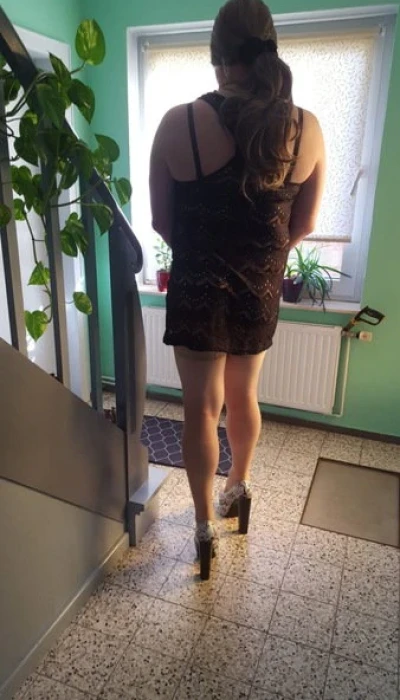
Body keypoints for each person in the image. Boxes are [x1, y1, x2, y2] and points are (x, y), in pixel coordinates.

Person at [149, 0, 325, 579]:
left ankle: (203, 526)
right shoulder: (307, 128)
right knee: (244, 396)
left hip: (198, 288)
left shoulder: (178, 123)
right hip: (259, 290)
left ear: (216, 56)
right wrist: (261, 257)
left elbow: (163, 222)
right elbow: (303, 224)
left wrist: (207, 251)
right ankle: (239, 489)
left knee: (200, 408)